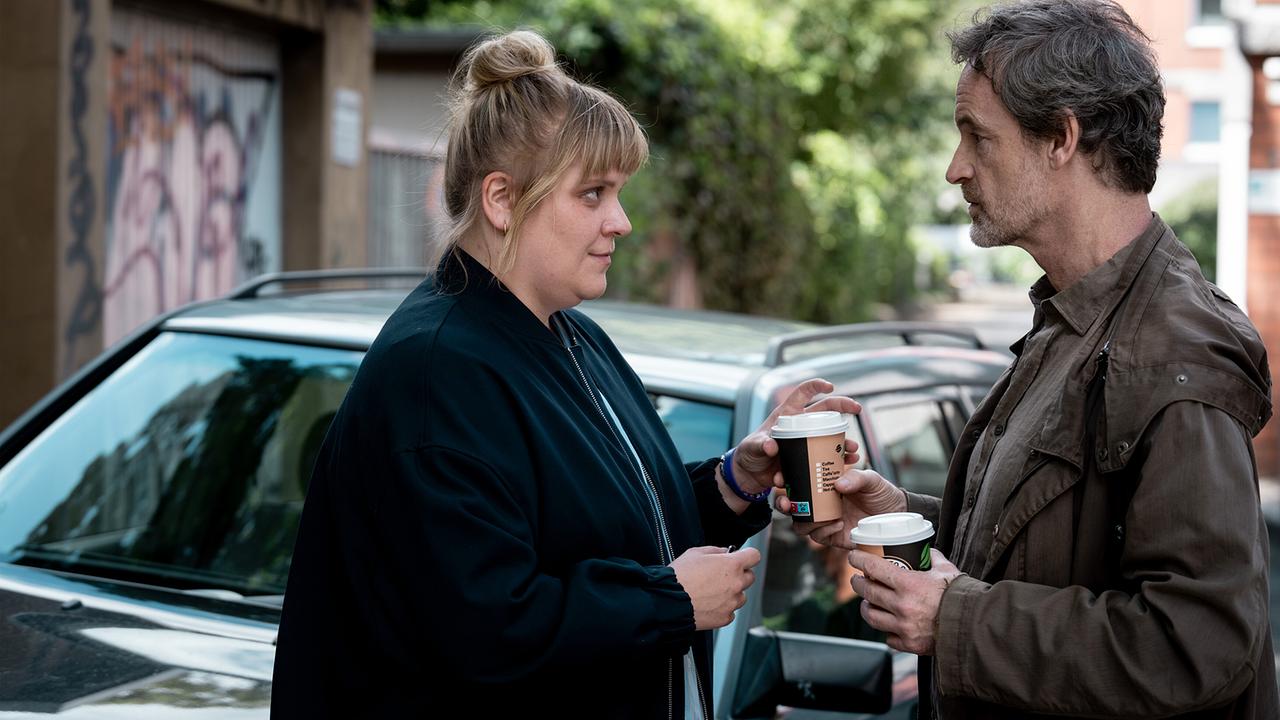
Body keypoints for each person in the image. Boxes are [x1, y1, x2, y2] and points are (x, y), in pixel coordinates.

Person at [270, 30, 856, 718]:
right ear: (501, 199)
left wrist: (733, 484)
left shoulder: (571, 339)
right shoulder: (435, 374)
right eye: (594, 194)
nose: (622, 222)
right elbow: (484, 630)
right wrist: (666, 601)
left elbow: (612, 528)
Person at [780, 2, 1277, 718]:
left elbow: (1197, 643)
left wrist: (955, 623)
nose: (956, 170)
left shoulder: (1171, 352)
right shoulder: (1077, 316)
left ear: (1062, 138)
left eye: (978, 138)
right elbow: (1039, 553)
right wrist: (896, 515)